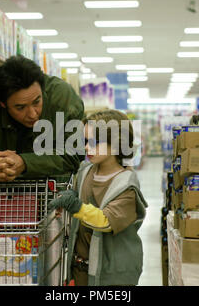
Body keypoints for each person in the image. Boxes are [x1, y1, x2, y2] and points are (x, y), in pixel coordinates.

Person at [48, 110, 148, 286]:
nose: (87, 147)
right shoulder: (85, 171)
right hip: (81, 270)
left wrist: (75, 206)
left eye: (94, 142)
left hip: (113, 275)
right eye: (86, 141)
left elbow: (105, 222)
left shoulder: (126, 186)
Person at [0, 55, 84, 181]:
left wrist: (25, 162)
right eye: (20, 107)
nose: (32, 114)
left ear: (42, 90)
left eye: (36, 102)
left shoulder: (63, 98)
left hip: (53, 193)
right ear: (2, 103)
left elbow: (74, 154)